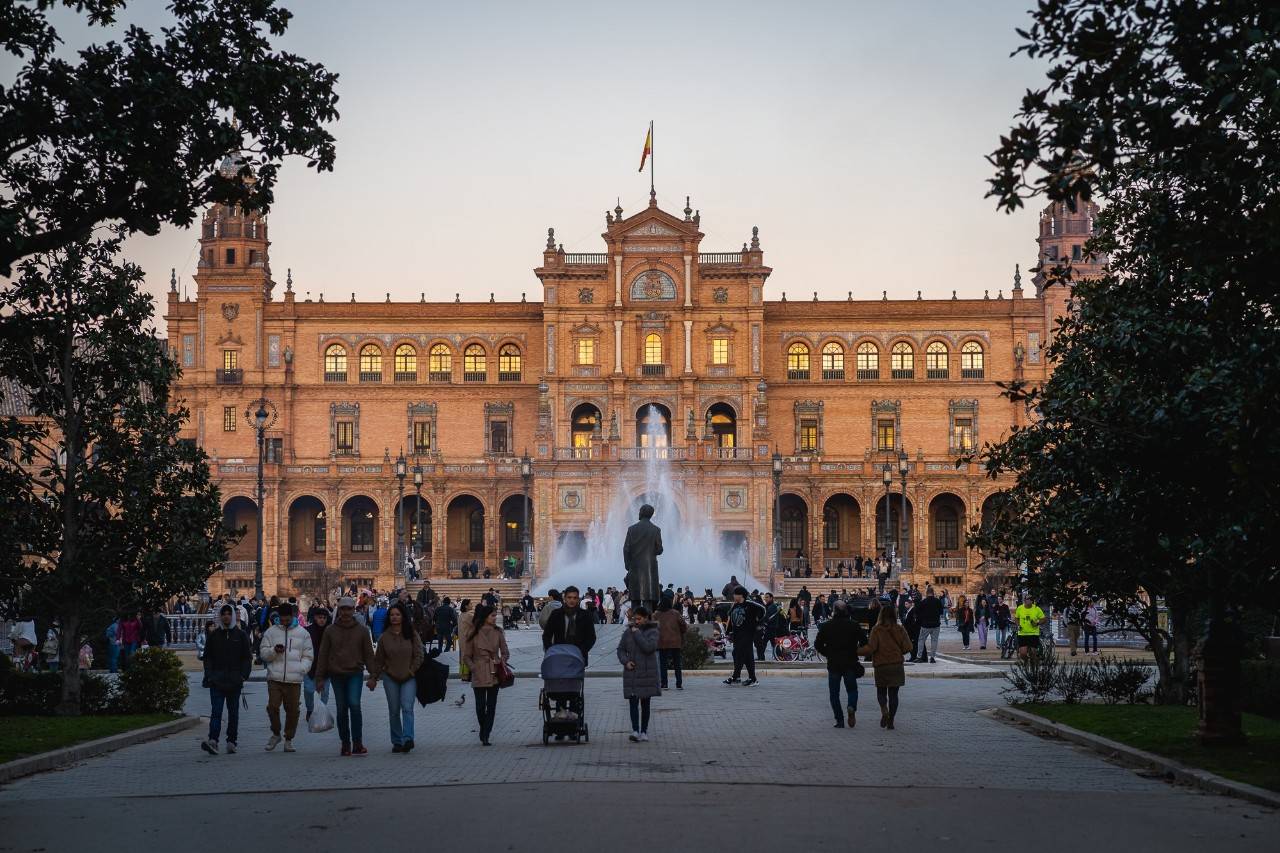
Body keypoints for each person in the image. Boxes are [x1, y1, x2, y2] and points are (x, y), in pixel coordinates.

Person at [315, 596, 376, 756]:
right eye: (343, 609)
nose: (346, 612)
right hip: (337, 674)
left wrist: (373, 676)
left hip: (355, 673)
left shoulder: (362, 631)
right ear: (339, 611)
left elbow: (369, 655)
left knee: (354, 705)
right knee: (341, 709)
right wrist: (319, 678)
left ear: (354, 610)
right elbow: (323, 655)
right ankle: (345, 743)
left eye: (349, 609)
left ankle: (358, 742)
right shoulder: (330, 631)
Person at [368, 601, 425, 753]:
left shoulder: (411, 634)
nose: (394, 617)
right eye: (392, 615)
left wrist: (412, 671)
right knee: (393, 710)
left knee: (407, 708)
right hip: (390, 677)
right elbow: (379, 660)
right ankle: (397, 741)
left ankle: (408, 739)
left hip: (409, 677)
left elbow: (419, 654)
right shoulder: (384, 637)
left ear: (403, 617)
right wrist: (374, 677)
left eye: (397, 615)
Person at [259, 602, 313, 753]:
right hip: (275, 678)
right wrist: (273, 651)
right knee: (272, 707)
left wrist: (301, 669)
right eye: (282, 620)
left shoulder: (303, 633)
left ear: (293, 616)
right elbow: (263, 653)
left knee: (293, 710)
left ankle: (289, 738)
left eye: (287, 620)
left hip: (294, 679)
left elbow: (308, 655)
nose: (284, 622)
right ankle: (276, 733)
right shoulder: (271, 632)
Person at [201, 604, 252, 755]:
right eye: (224, 614)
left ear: (233, 616)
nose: (226, 616)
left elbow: (247, 658)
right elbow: (207, 657)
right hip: (217, 680)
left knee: (233, 713)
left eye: (229, 614)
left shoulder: (241, 635)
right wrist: (210, 675)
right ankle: (213, 740)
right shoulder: (214, 635)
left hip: (234, 681)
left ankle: (231, 741)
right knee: (216, 712)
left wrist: (243, 675)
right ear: (220, 616)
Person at [814, 599, 868, 728]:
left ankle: (839, 720)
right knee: (852, 689)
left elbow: (818, 644)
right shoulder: (854, 625)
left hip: (834, 663)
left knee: (834, 694)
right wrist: (856, 650)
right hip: (850, 662)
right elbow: (864, 642)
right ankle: (851, 706)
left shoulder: (827, 626)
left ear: (833, 611)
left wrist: (828, 653)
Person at [859, 604, 913, 730]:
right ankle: (891, 720)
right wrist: (898, 651)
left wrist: (856, 651)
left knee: (881, 691)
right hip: (896, 666)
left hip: (881, 666)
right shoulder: (900, 629)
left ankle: (884, 710)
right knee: (894, 695)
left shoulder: (876, 630)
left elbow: (871, 648)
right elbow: (908, 647)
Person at [463, 603, 509, 746]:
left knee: (492, 705)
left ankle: (485, 734)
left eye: (496, 615)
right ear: (485, 617)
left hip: (493, 671)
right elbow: (466, 656)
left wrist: (502, 660)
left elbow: (505, 651)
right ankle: (484, 728)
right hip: (479, 671)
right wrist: (473, 668)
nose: (495, 618)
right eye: (493, 615)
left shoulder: (498, 632)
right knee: (480, 706)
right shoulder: (473, 633)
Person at [617, 605, 661, 742]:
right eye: (634, 619)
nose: (636, 622)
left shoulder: (653, 631)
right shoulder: (628, 632)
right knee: (633, 702)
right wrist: (626, 661)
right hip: (633, 672)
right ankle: (635, 730)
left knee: (645, 703)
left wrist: (637, 633)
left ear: (646, 618)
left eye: (639, 619)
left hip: (647, 673)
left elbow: (648, 647)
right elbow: (620, 649)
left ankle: (644, 731)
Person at [623, 504, 663, 613]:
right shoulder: (656, 530)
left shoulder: (631, 529)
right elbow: (659, 550)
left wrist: (628, 566)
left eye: (639, 511)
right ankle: (648, 624)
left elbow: (626, 549)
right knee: (648, 600)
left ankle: (635, 625)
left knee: (635, 599)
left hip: (635, 568)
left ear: (641, 513)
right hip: (650, 570)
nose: (638, 513)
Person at [542, 586, 596, 663]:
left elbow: (591, 637)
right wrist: (551, 651)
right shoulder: (556, 614)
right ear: (565, 598)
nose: (572, 600)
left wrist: (581, 651)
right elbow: (547, 635)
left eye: (575, 598)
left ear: (578, 599)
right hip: (559, 655)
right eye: (569, 597)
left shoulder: (585, 615)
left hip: (579, 657)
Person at [723, 587, 764, 686]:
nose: (733, 596)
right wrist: (729, 632)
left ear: (740, 595)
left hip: (747, 634)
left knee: (738, 653)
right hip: (737, 634)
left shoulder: (750, 604)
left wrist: (757, 622)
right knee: (747, 657)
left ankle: (735, 676)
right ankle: (752, 679)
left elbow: (763, 609)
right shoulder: (735, 605)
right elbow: (731, 619)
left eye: (735, 594)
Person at [654, 593, 687, 690]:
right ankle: (679, 683)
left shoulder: (656, 614)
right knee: (677, 663)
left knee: (663, 664)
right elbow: (684, 626)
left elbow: (651, 626)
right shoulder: (676, 613)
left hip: (662, 642)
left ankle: (664, 684)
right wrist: (681, 632)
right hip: (675, 642)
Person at [303, 606, 330, 719]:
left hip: (326, 667)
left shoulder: (330, 631)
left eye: (324, 618)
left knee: (324, 693)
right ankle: (310, 709)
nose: (322, 620)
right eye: (320, 617)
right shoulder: (307, 631)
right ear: (315, 618)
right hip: (310, 666)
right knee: (309, 690)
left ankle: (321, 711)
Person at [1014, 593, 1047, 661]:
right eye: (1026, 599)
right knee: (1022, 654)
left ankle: (1034, 666)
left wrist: (1037, 623)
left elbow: (1044, 619)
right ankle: (1026, 662)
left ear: (1032, 601)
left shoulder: (1036, 609)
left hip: (1033, 633)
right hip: (1022, 633)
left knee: (1032, 653)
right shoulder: (1020, 608)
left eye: (1029, 600)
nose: (1027, 601)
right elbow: (1016, 618)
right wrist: (1018, 625)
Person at [914, 587, 942, 663]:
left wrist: (922, 617)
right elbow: (941, 612)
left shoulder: (924, 601)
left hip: (925, 624)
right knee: (934, 641)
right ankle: (932, 657)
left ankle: (919, 656)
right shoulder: (937, 601)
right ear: (933, 593)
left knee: (921, 640)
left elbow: (917, 611)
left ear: (927, 593)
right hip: (936, 624)